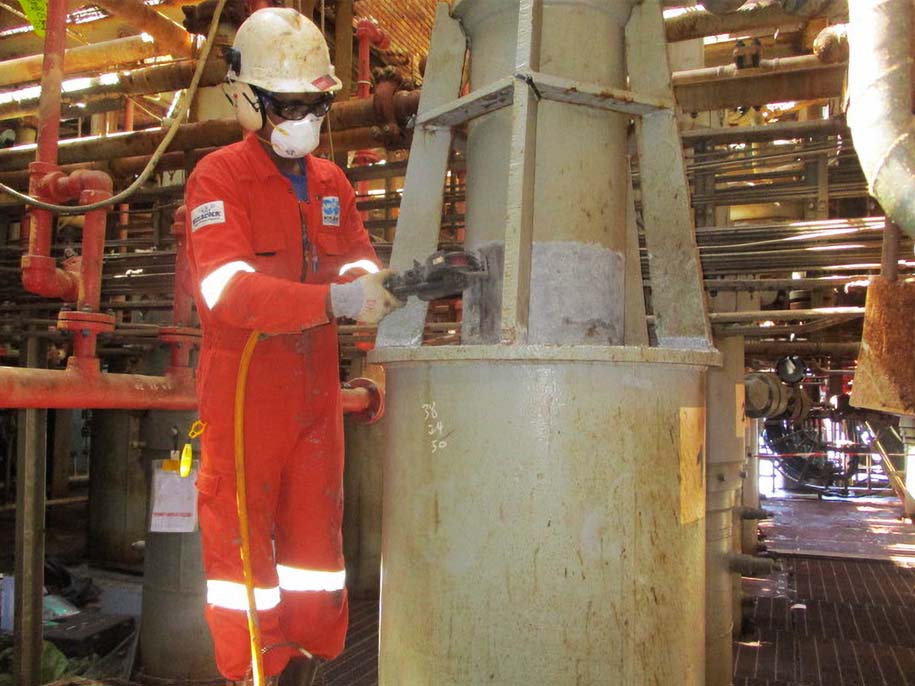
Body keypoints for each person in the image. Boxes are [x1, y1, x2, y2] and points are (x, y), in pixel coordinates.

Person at [183, 8, 403, 685]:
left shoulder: (332, 182)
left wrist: (392, 286)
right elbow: (226, 291)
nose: (302, 119)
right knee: (242, 545)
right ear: (248, 100)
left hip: (316, 389)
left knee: (315, 539)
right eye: (287, 105)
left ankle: (310, 662)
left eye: (314, 104)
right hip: (246, 387)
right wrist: (329, 303)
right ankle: (255, 669)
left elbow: (357, 263)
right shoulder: (217, 179)